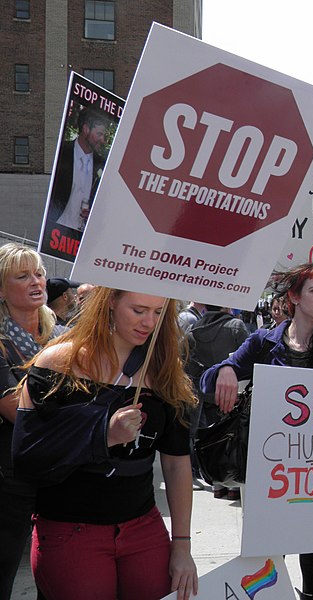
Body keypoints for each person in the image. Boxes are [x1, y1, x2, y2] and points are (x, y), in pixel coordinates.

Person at [200, 263, 313, 600]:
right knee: (268, 562)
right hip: (272, 477)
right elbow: (206, 380)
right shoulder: (264, 341)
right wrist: (226, 368)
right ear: (294, 297)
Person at [15, 287, 198, 600]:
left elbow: (177, 461)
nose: (148, 322)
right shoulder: (56, 363)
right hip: (69, 528)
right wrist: (104, 434)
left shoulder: (165, 373)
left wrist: (182, 543)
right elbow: (26, 455)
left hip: (143, 528)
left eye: (158, 312)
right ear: (111, 301)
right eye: (139, 310)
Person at [0, 243, 63, 599]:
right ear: (0, 289)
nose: (36, 281)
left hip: (64, 474)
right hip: (11, 479)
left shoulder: (63, 335)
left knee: (60, 576)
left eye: (38, 273)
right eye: (22, 276)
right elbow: (13, 408)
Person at [185, 305, 250, 498]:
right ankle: (232, 486)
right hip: (233, 392)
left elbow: (186, 361)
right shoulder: (236, 326)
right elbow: (247, 358)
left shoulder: (194, 328)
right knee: (233, 436)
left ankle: (217, 484)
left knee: (210, 437)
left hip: (204, 391)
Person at [50, 108, 109, 231]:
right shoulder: (62, 153)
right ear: (86, 129)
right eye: (99, 134)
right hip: (55, 230)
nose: (103, 140)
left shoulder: (102, 163)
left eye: (104, 135)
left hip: (82, 235)